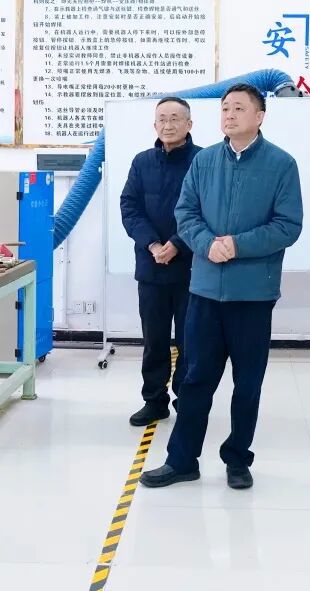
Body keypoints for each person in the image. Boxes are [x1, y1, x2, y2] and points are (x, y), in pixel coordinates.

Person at [140, 83, 303, 490]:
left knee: (247, 383)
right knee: (196, 379)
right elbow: (185, 212)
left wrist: (238, 245)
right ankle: (182, 461)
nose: (229, 115)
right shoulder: (205, 160)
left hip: (253, 294)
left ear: (259, 117)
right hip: (205, 291)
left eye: (239, 109)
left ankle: (237, 459)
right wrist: (206, 244)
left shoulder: (281, 164)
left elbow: (288, 225)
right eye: (225, 108)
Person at [119, 96, 201, 426]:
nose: (168, 125)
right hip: (151, 266)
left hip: (192, 267)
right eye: (162, 119)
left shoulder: (203, 161)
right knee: (154, 340)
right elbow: (129, 207)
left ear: (189, 124)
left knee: (191, 340)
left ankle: (187, 400)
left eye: (175, 118)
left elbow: (206, 210)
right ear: (155, 125)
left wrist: (178, 244)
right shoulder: (142, 162)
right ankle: (154, 401)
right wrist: (153, 243)